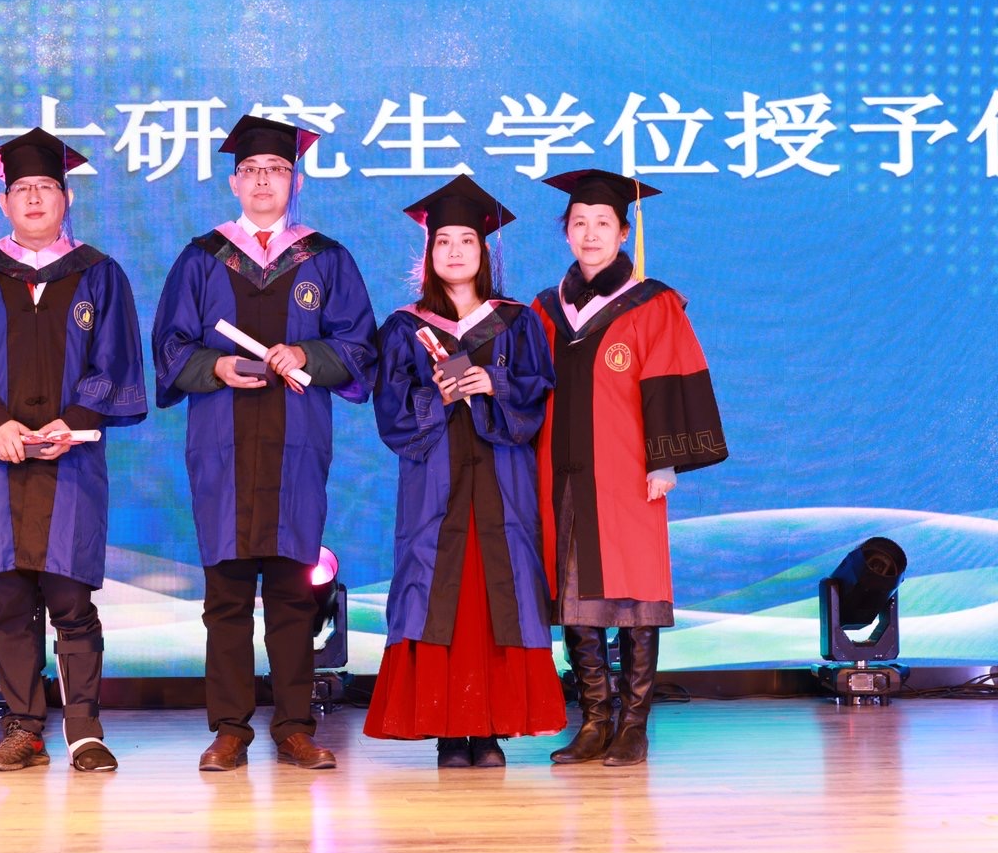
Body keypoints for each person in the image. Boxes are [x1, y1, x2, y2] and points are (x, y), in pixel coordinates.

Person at [151, 114, 377, 772]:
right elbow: (169, 346)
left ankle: (295, 726)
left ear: (295, 181)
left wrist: (305, 352)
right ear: (233, 182)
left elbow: (360, 345)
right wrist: (217, 366)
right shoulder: (201, 258)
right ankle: (229, 729)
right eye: (250, 170)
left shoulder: (325, 258)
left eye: (276, 170)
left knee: (290, 593)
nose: (262, 181)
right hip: (221, 446)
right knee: (224, 596)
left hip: (295, 446)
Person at [0, 128, 147, 773]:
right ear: (3, 202)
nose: (33, 198)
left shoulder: (99, 274)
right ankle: (24, 727)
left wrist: (71, 423)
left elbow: (114, 361)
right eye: (21, 188)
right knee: (4, 600)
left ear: (65, 198)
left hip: (70, 458)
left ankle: (84, 729)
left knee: (71, 598)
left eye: (45, 187)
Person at [363, 174, 565, 768]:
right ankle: (448, 732)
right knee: (437, 590)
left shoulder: (516, 322)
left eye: (466, 241)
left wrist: (493, 382)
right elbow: (391, 411)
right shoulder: (405, 328)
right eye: (443, 241)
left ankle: (491, 730)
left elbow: (537, 393)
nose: (454, 251)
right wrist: (438, 396)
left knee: (497, 590)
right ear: (429, 252)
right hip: (434, 485)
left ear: (484, 250)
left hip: (502, 482)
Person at [531, 168, 728, 767]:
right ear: (566, 232)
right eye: (579, 223)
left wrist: (665, 461)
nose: (590, 234)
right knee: (574, 591)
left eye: (603, 224)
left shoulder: (652, 302)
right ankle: (595, 721)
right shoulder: (546, 308)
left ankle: (634, 726)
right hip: (561, 470)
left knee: (635, 591)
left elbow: (670, 377)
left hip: (626, 468)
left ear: (623, 233)